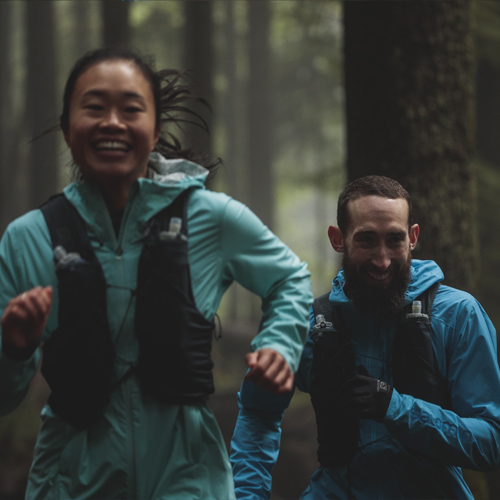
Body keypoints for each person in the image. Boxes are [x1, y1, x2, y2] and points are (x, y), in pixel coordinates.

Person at [0, 47, 312, 500]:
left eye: (130, 109)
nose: (112, 122)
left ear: (155, 127)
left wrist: (279, 347)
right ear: (67, 128)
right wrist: (13, 347)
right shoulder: (28, 238)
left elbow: (289, 279)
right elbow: (6, 398)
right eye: (94, 107)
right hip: (68, 483)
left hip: (189, 480)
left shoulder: (211, 216)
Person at [230, 175, 500, 499]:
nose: (382, 260)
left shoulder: (458, 316)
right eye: (367, 240)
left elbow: (490, 443)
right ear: (338, 239)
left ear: (413, 237)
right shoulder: (307, 324)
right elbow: (258, 411)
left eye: (395, 240)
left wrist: (395, 407)